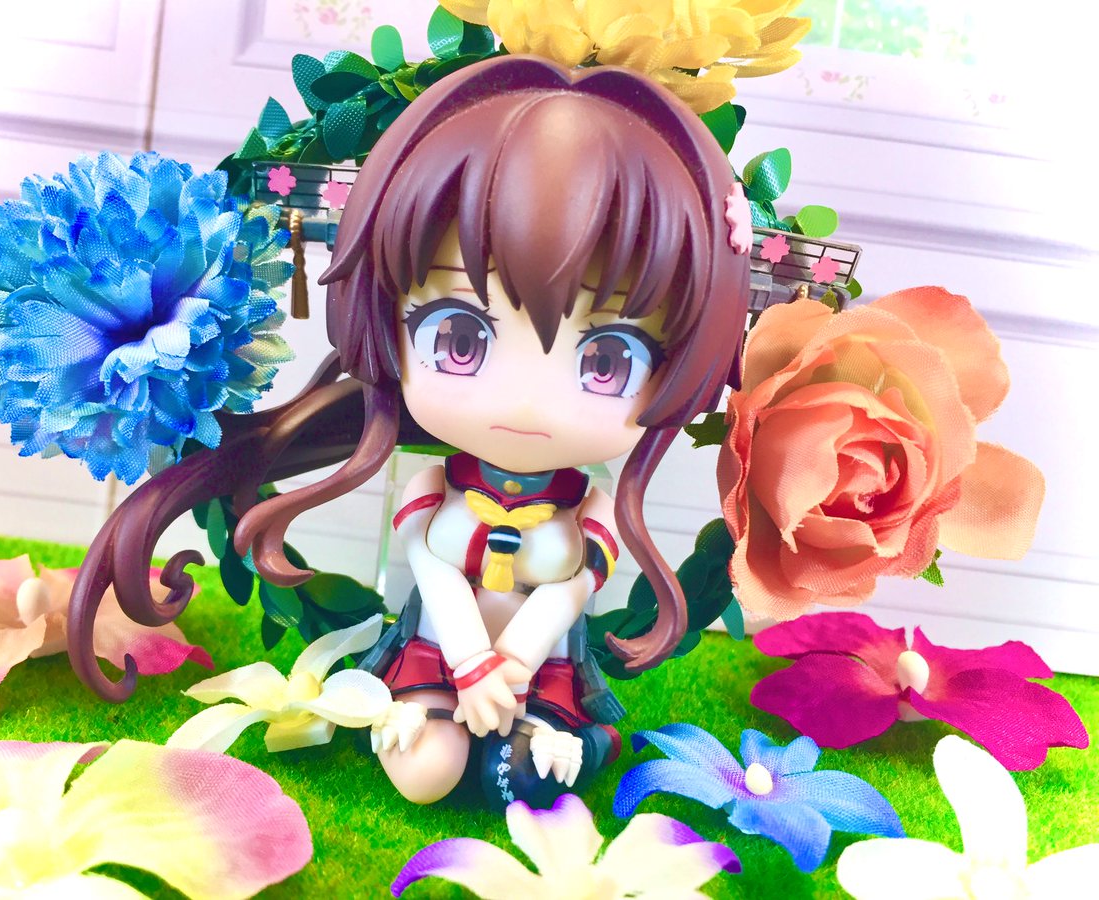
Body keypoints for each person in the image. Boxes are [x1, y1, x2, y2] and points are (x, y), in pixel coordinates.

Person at [68, 54, 749, 810]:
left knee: (529, 777)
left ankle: (579, 740)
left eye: (607, 359)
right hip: (440, 656)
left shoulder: (587, 510)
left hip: (540, 671)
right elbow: (434, 574)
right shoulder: (435, 489)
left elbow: (567, 595)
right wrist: (471, 665)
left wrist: (512, 666)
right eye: (459, 338)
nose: (525, 402)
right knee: (425, 771)